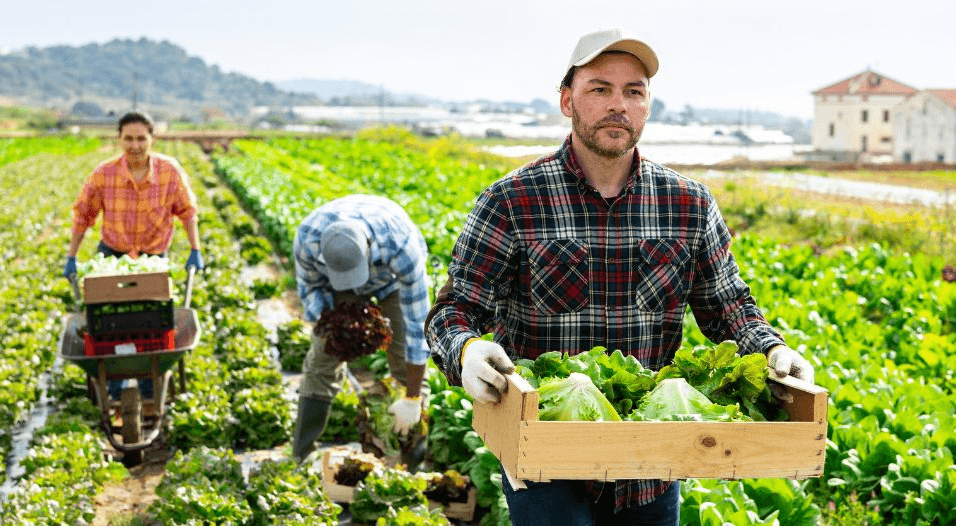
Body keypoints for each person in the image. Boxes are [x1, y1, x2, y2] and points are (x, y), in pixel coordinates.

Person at [425, 28, 815, 526]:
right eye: (599, 89)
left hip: (651, 463)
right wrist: (465, 349)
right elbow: (455, 308)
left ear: (648, 106)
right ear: (567, 101)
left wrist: (772, 349)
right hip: (547, 458)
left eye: (634, 91)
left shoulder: (688, 204)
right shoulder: (512, 201)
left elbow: (727, 307)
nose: (619, 105)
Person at [64, 111, 204, 398]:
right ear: (119, 139)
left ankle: (150, 387)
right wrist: (72, 256)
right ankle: (113, 384)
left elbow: (187, 211)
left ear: (152, 139)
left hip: (153, 259)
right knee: (108, 324)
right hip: (112, 259)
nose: (135, 145)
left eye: (141, 138)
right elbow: (83, 215)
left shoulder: (169, 170)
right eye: (128, 138)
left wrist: (195, 249)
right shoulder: (104, 173)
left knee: (152, 324)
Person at [291, 194, 431, 467]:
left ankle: (411, 464)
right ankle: (301, 453)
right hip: (335, 285)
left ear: (368, 248)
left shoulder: (400, 245)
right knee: (322, 359)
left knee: (404, 361)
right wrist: (336, 330)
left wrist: (412, 398)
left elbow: (417, 325)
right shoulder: (307, 240)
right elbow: (310, 292)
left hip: (390, 282)